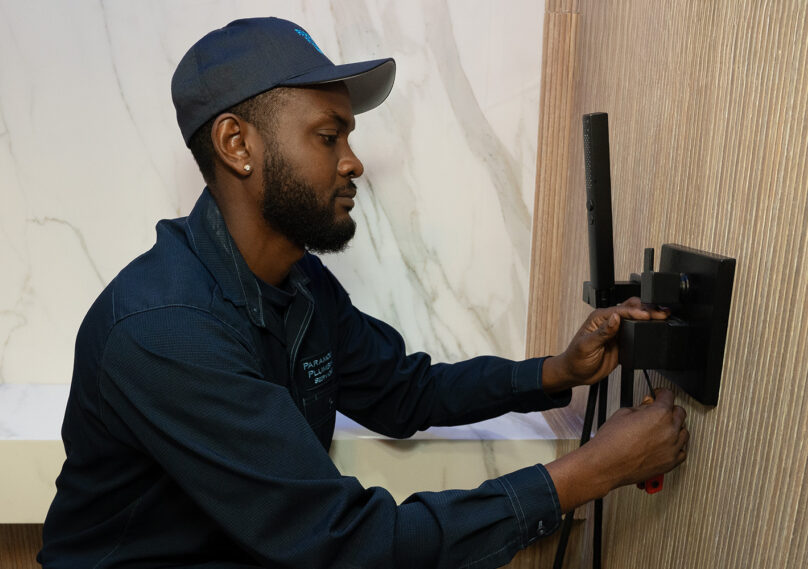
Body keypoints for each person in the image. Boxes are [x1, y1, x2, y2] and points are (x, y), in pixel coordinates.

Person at [38, 17, 688, 569]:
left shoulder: (299, 284)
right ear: (238, 144)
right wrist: (588, 474)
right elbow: (343, 544)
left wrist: (557, 369)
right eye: (329, 136)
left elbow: (404, 391)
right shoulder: (166, 329)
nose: (354, 161)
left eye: (349, 136)